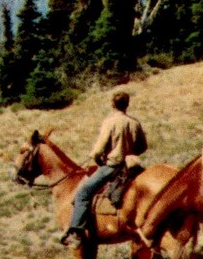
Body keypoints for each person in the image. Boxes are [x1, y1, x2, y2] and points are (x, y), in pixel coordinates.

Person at [62, 90, 148, 249]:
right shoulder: (134, 123)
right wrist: (130, 152)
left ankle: (76, 232)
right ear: (127, 105)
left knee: (82, 193)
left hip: (112, 166)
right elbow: (143, 146)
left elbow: (99, 149)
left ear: (112, 104)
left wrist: (95, 157)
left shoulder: (109, 122)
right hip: (131, 167)